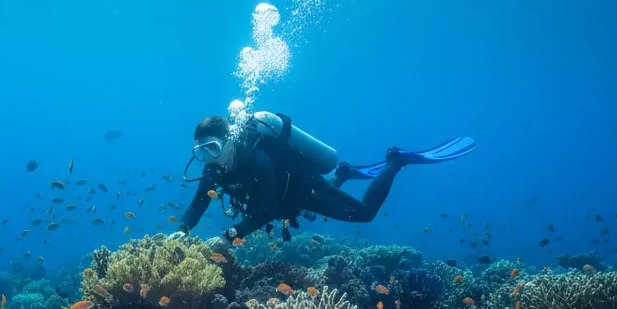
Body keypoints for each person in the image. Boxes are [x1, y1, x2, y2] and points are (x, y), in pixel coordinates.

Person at [176, 112, 474, 244]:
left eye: (212, 148)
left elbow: (265, 209)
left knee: (365, 214)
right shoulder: (213, 170)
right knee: (301, 211)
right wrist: (183, 230)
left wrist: (230, 235)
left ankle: (394, 162)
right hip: (286, 203)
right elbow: (198, 202)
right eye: (201, 151)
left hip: (305, 190)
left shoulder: (258, 158)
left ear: (229, 141)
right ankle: (343, 174)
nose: (208, 158)